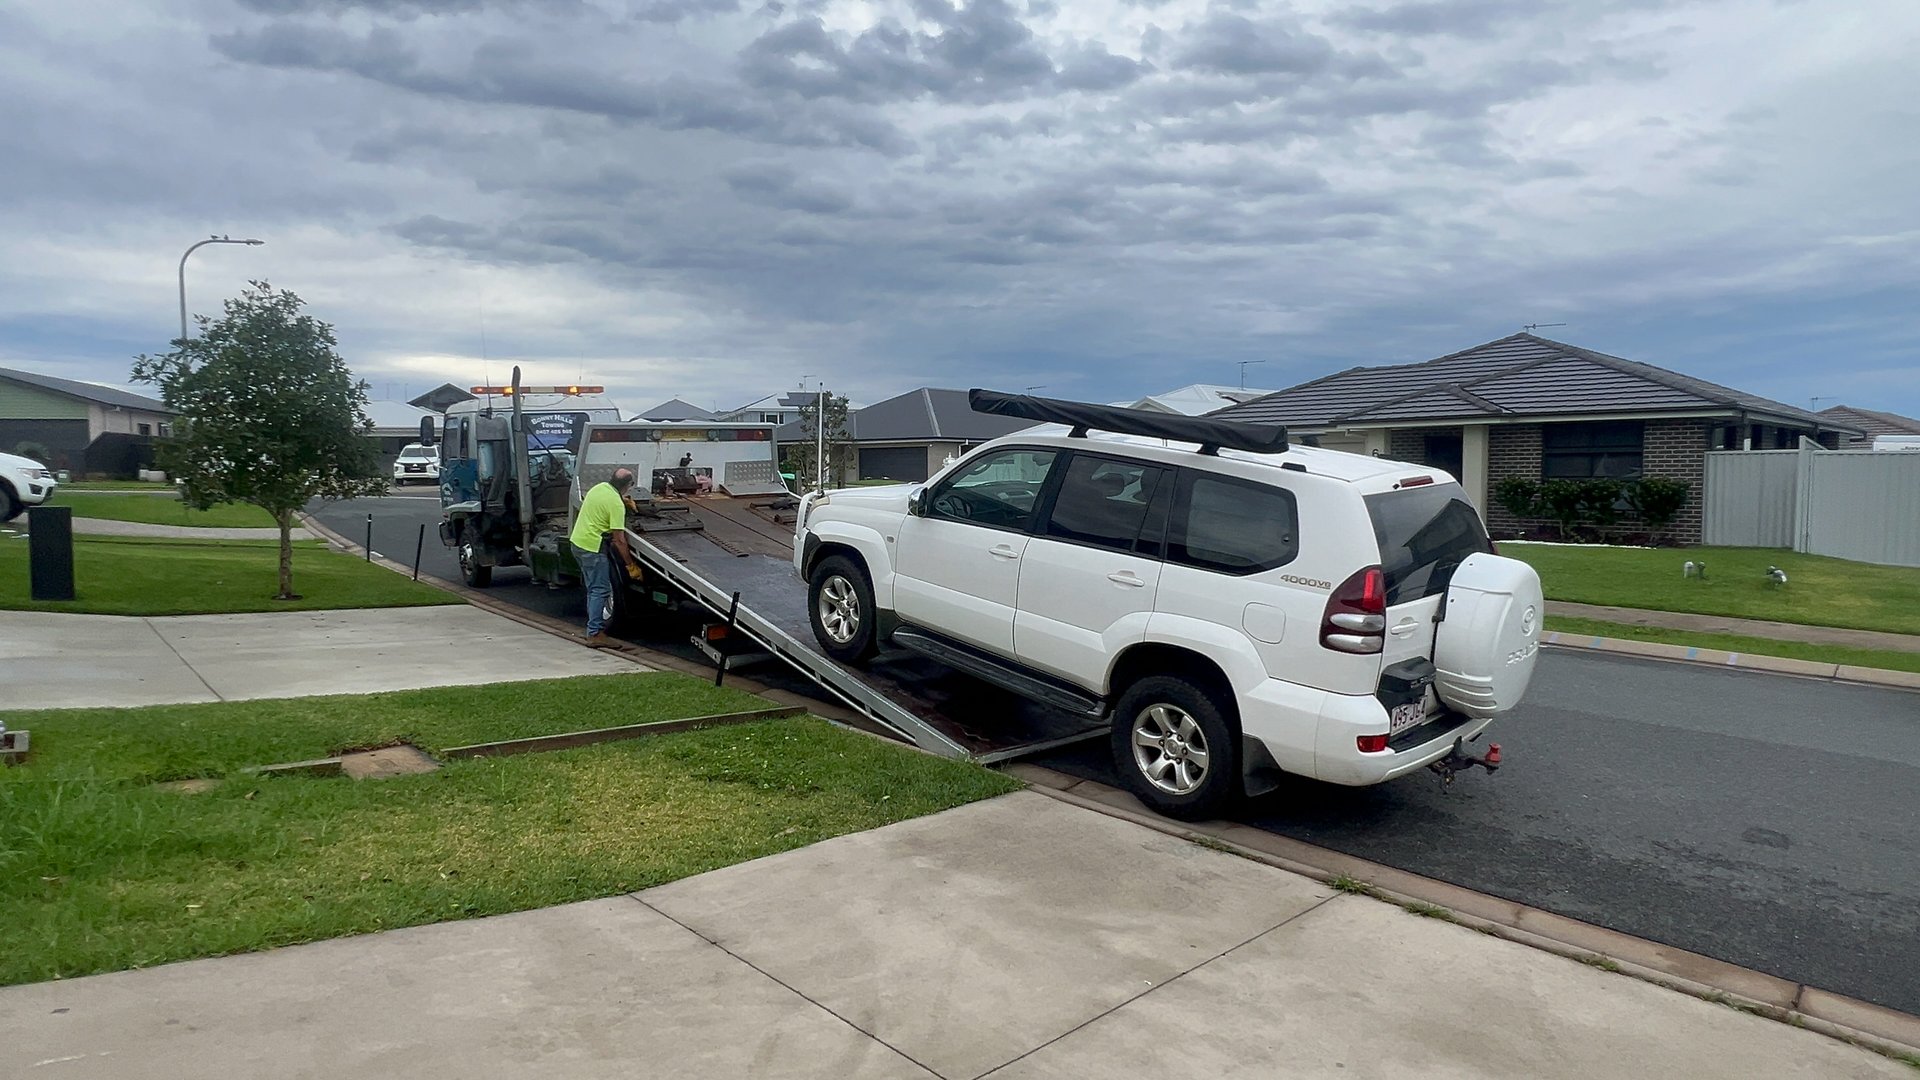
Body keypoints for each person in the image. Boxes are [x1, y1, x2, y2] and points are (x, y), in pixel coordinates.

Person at [570, 467, 635, 646]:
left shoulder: (598, 488)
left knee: (593, 589)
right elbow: (618, 540)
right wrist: (630, 565)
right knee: (600, 590)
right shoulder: (615, 504)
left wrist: (622, 501)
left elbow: (604, 503)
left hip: (577, 543)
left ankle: (592, 629)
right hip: (593, 548)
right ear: (628, 485)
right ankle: (595, 633)